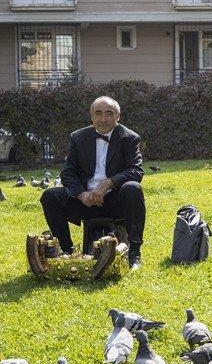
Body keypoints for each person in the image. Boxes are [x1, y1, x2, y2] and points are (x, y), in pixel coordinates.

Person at [40, 96, 144, 269]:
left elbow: (136, 171)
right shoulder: (78, 137)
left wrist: (107, 184)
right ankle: (67, 251)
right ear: (91, 116)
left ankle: (134, 253)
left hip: (113, 200)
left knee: (133, 188)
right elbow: (67, 173)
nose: (103, 118)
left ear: (118, 116)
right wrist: (81, 194)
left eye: (109, 113)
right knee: (50, 196)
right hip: (84, 201)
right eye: (98, 113)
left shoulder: (129, 138)